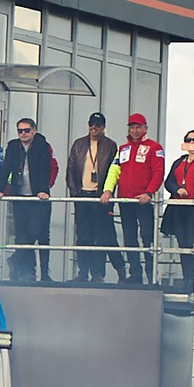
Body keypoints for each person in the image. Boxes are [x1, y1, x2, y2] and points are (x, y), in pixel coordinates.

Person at [104, 114, 167, 287]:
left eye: (138, 127)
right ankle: (135, 274)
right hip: (125, 201)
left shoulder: (154, 147)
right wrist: (108, 190)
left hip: (143, 201)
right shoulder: (123, 148)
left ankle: (151, 274)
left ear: (145, 128)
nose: (135, 130)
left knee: (147, 237)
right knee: (129, 237)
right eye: (132, 127)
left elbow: (159, 172)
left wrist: (149, 192)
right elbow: (114, 171)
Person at [0, 117, 58, 282]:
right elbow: (5, 168)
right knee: (22, 235)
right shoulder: (13, 146)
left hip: (38, 198)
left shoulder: (43, 146)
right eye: (20, 131)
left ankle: (42, 272)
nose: (23, 134)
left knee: (40, 234)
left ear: (34, 131)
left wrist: (44, 190)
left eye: (26, 130)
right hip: (20, 197)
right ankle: (27, 272)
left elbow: (47, 169)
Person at [64, 112, 122, 284]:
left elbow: (114, 171)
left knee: (102, 236)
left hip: (101, 197)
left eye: (97, 125)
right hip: (82, 195)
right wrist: (75, 193)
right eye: (91, 124)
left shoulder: (110, 145)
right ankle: (83, 272)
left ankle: (98, 274)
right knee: (83, 236)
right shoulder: (79, 144)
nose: (93, 128)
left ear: (103, 127)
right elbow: (70, 170)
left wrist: (108, 192)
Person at [161, 129, 194, 297]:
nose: (192, 142)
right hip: (179, 206)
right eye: (189, 139)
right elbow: (168, 181)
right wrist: (177, 189)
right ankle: (187, 279)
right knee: (183, 245)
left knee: (193, 245)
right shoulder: (180, 161)